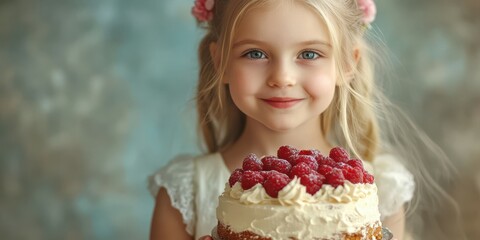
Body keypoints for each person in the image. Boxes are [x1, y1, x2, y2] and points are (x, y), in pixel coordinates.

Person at [148, 0, 455, 239]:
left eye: (309, 54)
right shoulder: (185, 193)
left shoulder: (380, 189)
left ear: (348, 63)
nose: (282, 77)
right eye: (255, 53)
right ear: (221, 62)